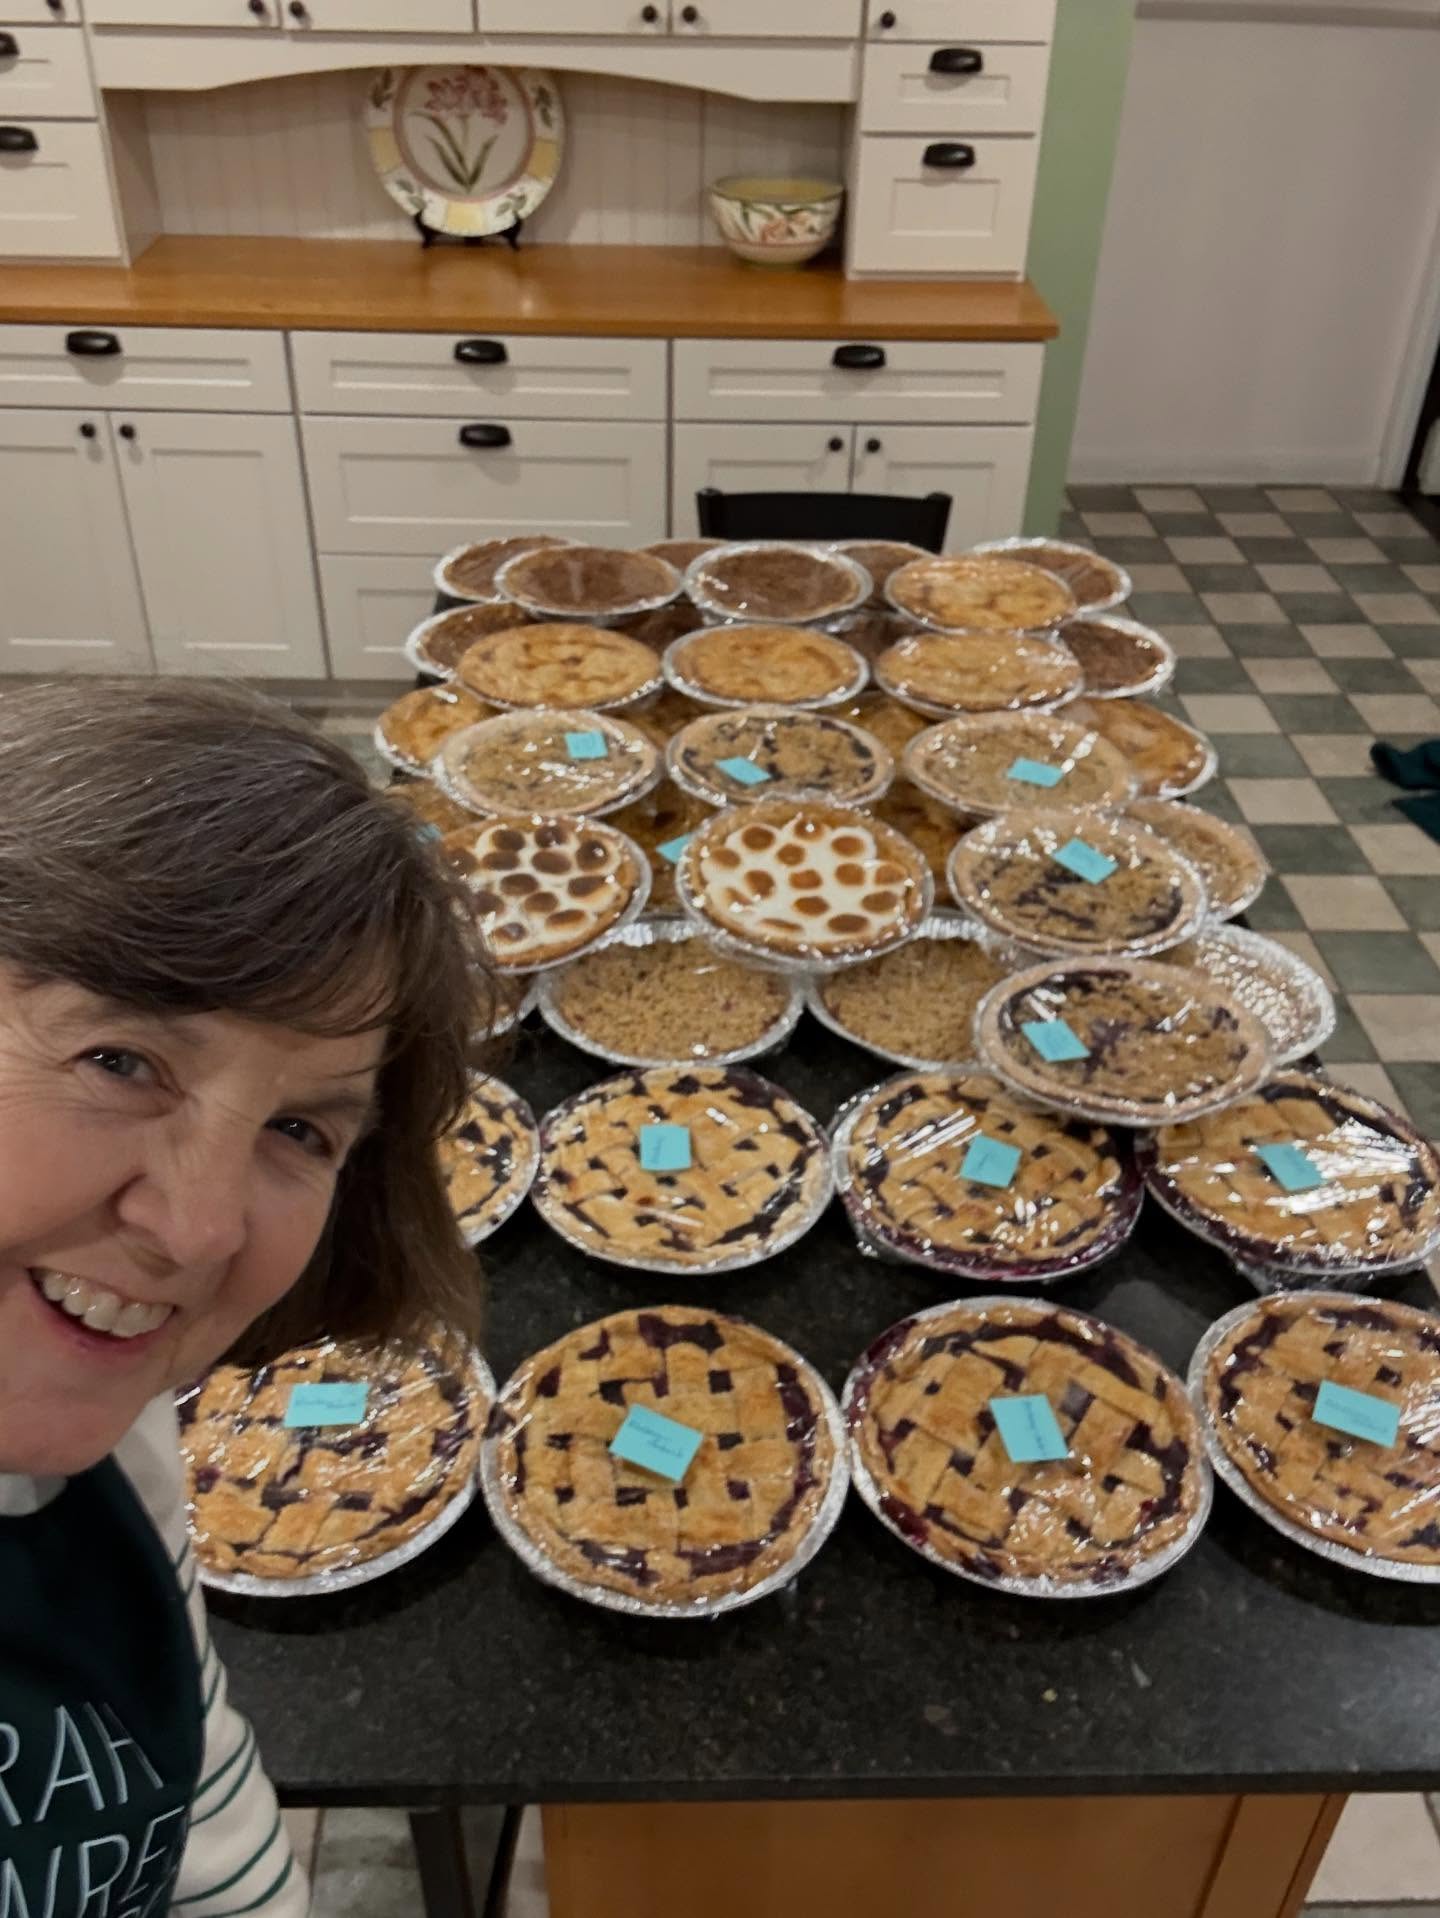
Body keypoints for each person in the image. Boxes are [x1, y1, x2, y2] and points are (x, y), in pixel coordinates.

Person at [0, 679, 487, 1916]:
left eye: (300, 1128)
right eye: (120, 1059)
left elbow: (193, 1814)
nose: (202, 1227)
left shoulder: (121, 1446)